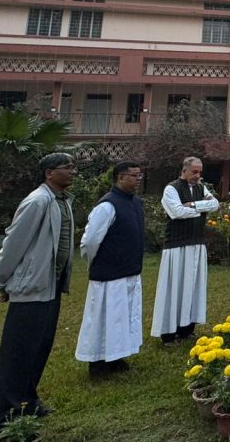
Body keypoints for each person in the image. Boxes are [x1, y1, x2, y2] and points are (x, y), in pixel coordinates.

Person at [0, 152, 76, 433]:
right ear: (50, 172)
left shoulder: (61, 201)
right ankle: (3, 415)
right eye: (67, 168)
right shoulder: (37, 202)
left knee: (38, 348)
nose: (72, 172)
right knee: (18, 352)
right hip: (31, 288)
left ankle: (27, 401)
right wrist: (2, 281)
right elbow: (14, 244)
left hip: (51, 286)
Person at [75, 160, 145, 378]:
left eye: (139, 176)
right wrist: (96, 263)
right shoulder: (107, 206)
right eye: (133, 176)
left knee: (123, 317)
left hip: (130, 269)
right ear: (119, 178)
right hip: (109, 273)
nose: (137, 180)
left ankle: (116, 355)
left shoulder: (136, 203)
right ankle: (97, 361)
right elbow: (89, 242)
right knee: (104, 318)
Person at [151, 156, 219, 344]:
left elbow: (215, 204)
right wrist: (200, 209)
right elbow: (176, 212)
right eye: (194, 172)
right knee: (175, 288)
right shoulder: (172, 188)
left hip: (196, 243)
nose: (197, 176)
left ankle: (187, 328)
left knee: (193, 286)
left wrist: (194, 205)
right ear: (184, 170)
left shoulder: (200, 188)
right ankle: (168, 333)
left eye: (200, 172)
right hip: (177, 246)